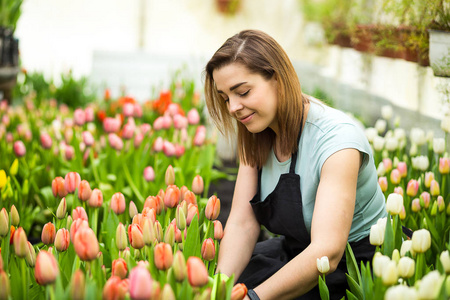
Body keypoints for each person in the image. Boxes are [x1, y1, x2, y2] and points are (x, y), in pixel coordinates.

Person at [204, 29, 387, 300]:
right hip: (296, 253)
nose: (232, 107)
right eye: (225, 98)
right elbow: (243, 223)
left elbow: (328, 251)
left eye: (242, 92)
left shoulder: (337, 141)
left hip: (353, 269)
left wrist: (252, 299)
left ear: (277, 79)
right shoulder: (257, 133)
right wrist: (220, 290)